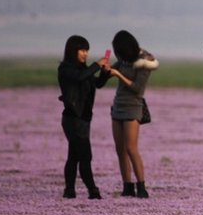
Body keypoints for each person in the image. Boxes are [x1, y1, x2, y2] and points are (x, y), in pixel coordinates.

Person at [106, 30, 159, 198]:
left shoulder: (143, 62)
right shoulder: (123, 60)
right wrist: (105, 69)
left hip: (132, 107)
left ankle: (141, 187)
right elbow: (104, 78)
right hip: (118, 106)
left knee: (131, 148)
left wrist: (118, 75)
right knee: (120, 150)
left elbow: (137, 89)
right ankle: (127, 186)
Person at [57, 35, 110, 199]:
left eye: (87, 50)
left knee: (74, 155)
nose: (85, 54)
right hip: (73, 118)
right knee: (85, 156)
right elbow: (79, 78)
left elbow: (97, 84)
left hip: (84, 119)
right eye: (82, 50)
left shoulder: (83, 70)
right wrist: (96, 65)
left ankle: (69, 191)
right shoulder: (66, 69)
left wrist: (105, 73)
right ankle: (93, 191)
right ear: (73, 51)